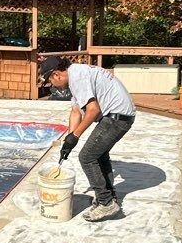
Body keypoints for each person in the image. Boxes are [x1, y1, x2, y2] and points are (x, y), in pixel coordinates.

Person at [39, 54, 136, 221]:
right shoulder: (75, 74)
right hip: (118, 115)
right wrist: (69, 140)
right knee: (99, 154)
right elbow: (76, 111)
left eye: (50, 83)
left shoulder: (78, 77)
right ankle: (109, 197)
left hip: (117, 117)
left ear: (56, 74)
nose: (52, 87)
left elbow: (93, 110)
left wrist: (76, 136)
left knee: (87, 156)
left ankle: (106, 203)